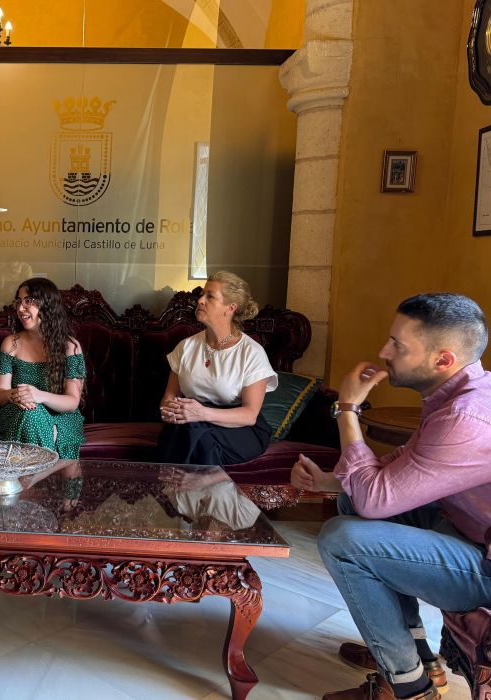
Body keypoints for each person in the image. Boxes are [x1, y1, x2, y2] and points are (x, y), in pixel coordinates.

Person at [289, 293, 491, 700]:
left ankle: (408, 687)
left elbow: (375, 500)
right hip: (469, 536)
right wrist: (330, 481)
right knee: (352, 501)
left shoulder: (465, 416)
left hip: (485, 567)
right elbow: (400, 468)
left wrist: (347, 409)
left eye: (398, 345)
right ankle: (419, 658)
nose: (384, 352)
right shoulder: (460, 395)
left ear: (443, 359)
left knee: (343, 539)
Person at [155, 270, 278, 465]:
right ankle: (204, 483)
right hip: (190, 423)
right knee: (188, 431)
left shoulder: (251, 352)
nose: (200, 301)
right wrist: (171, 411)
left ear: (230, 308)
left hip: (239, 430)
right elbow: (168, 398)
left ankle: (168, 481)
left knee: (195, 434)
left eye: (210, 296)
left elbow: (249, 415)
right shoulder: (186, 347)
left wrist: (201, 413)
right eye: (202, 295)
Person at [0, 277, 86, 458]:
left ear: (47, 304)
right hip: (18, 411)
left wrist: (38, 396)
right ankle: (41, 471)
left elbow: (72, 402)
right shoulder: (10, 344)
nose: (20, 308)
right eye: (19, 302)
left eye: (29, 301)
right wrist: (19, 395)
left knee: (33, 416)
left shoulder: (70, 347)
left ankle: (28, 472)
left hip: (60, 417)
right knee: (30, 415)